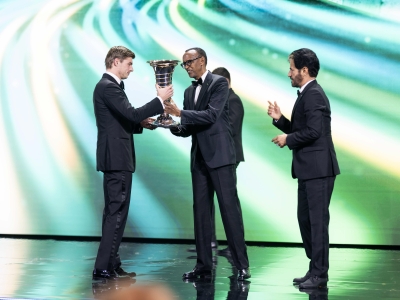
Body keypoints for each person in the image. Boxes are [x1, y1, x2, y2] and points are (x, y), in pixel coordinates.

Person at [163, 47, 250, 281]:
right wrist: (169, 124)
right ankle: (203, 266)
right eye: (184, 64)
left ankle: (242, 265)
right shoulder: (189, 92)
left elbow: (211, 116)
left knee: (229, 211)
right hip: (199, 158)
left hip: (221, 158)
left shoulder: (219, 83)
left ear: (202, 60)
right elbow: (188, 128)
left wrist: (180, 113)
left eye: (189, 62)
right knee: (201, 214)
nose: (187, 67)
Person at [92, 46, 173, 281]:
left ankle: (112, 264)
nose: (132, 68)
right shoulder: (108, 86)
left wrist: (140, 124)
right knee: (116, 214)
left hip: (117, 158)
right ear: (116, 62)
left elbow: (122, 119)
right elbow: (131, 113)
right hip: (116, 159)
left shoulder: (112, 87)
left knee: (117, 213)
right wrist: (160, 99)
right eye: (129, 63)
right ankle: (104, 267)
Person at [267, 48, 340, 289]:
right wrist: (280, 120)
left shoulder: (314, 94)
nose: (288, 73)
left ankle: (320, 274)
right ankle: (315, 269)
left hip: (318, 169)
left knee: (317, 223)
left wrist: (287, 139)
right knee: (306, 220)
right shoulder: (306, 94)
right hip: (309, 170)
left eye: (291, 68)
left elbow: (314, 132)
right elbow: (303, 129)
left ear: (304, 70)